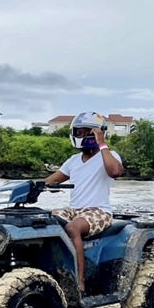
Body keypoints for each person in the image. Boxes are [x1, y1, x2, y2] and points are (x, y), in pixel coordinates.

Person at [45, 112, 124, 295]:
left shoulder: (110, 155)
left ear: (98, 132)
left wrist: (102, 143)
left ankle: (79, 282)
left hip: (99, 211)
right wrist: (33, 188)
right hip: (75, 210)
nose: (80, 136)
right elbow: (50, 180)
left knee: (73, 228)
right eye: (78, 132)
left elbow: (115, 172)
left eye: (85, 132)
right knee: (44, 220)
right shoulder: (73, 161)